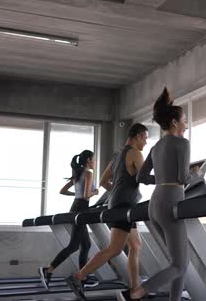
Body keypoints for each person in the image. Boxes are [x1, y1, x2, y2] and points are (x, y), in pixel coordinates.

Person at [122, 88, 203, 301]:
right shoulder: (182, 143)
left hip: (154, 205)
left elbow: (140, 177)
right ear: (175, 123)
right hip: (171, 202)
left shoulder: (156, 147)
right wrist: (197, 174)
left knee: (178, 263)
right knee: (179, 264)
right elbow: (184, 178)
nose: (186, 124)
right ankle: (138, 291)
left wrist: (160, 179)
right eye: (184, 120)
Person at [65, 124, 149, 299]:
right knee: (114, 249)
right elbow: (144, 177)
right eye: (145, 138)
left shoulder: (118, 155)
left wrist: (118, 193)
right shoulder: (135, 153)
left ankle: (135, 289)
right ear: (138, 136)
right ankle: (78, 277)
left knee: (135, 245)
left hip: (119, 204)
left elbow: (103, 181)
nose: (146, 142)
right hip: (124, 206)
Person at [37, 150, 99, 290]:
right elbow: (86, 196)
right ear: (89, 160)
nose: (94, 162)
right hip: (81, 209)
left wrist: (76, 194)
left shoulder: (77, 175)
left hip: (76, 208)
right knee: (74, 246)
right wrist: (95, 192)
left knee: (86, 245)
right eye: (94, 159)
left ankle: (82, 277)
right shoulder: (88, 173)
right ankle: (48, 270)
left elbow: (63, 191)